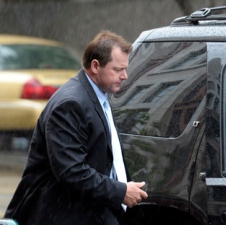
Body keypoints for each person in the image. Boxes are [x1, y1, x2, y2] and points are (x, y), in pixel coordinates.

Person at [4, 30, 148, 225]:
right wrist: (120, 191)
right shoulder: (70, 104)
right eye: (117, 69)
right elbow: (71, 170)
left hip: (92, 210)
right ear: (95, 66)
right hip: (62, 215)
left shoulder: (98, 96)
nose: (125, 76)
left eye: (125, 68)